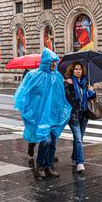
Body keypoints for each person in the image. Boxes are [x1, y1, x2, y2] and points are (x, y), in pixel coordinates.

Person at [14, 48, 72, 178]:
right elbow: (24, 93)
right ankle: (40, 165)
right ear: (45, 61)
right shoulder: (33, 75)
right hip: (39, 115)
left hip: (53, 115)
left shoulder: (57, 76)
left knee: (53, 142)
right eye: (51, 62)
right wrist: (28, 110)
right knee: (46, 141)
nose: (53, 64)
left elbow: (60, 96)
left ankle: (49, 166)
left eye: (55, 62)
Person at [64, 62, 96, 173]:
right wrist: (69, 85)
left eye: (80, 69)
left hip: (84, 115)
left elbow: (92, 97)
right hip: (73, 116)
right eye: (76, 69)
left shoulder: (86, 82)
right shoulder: (69, 82)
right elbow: (66, 98)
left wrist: (91, 91)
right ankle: (80, 163)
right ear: (72, 71)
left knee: (79, 139)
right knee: (78, 139)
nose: (78, 71)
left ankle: (74, 157)